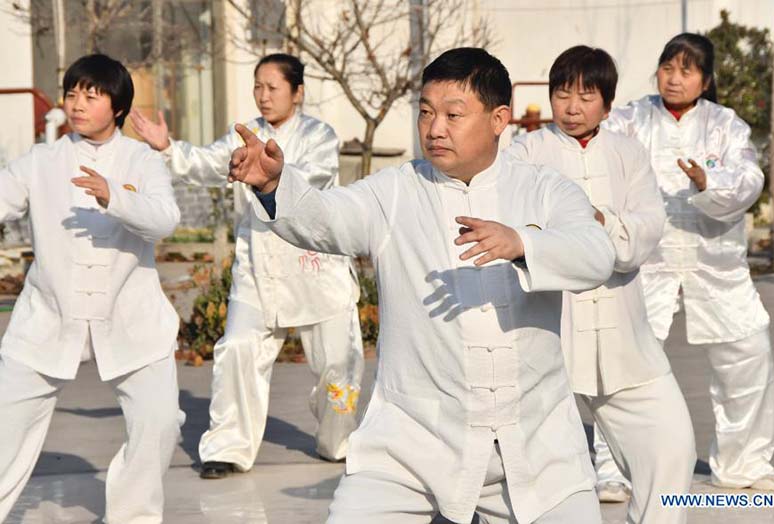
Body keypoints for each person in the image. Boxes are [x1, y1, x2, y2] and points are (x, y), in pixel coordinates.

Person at [229, 47, 615, 524]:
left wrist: (522, 244)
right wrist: (274, 187)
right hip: (410, 445)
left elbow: (597, 253)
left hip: (537, 448)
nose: (435, 129)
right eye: (426, 113)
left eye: (454, 114)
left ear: (500, 119)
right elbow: (328, 219)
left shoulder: (545, 190)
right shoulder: (394, 190)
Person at [130, 53, 364, 478]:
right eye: (258, 86)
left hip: (316, 269)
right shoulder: (245, 134)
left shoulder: (319, 135)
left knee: (339, 366)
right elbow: (205, 163)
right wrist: (167, 147)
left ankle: (339, 441)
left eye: (273, 87)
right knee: (237, 349)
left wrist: (271, 172)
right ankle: (228, 448)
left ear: (298, 92)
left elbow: (314, 181)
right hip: (259, 269)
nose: (263, 95)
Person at [505, 45, 696, 523]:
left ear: (607, 105)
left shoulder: (628, 154)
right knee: (532, 470)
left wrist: (596, 222)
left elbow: (643, 234)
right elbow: (520, 232)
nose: (572, 107)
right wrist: (582, 242)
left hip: (624, 337)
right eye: (563, 94)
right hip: (551, 334)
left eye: (586, 96)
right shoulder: (526, 152)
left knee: (672, 449)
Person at [594, 32, 774, 492]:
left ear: (705, 80)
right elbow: (599, 159)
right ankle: (616, 471)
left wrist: (708, 180)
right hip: (646, 260)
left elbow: (749, 179)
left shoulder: (725, 124)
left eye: (686, 70)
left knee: (747, 352)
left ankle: (743, 466)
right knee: (627, 363)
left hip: (714, 261)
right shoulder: (630, 120)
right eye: (668, 68)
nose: (674, 79)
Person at [0, 54, 182, 523]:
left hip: (132, 320)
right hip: (48, 318)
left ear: (117, 106)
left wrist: (114, 197)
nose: (78, 103)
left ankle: (133, 517)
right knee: (6, 430)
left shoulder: (141, 159)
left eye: (91, 94)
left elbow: (165, 220)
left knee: (158, 426)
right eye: (72, 93)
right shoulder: (42, 160)